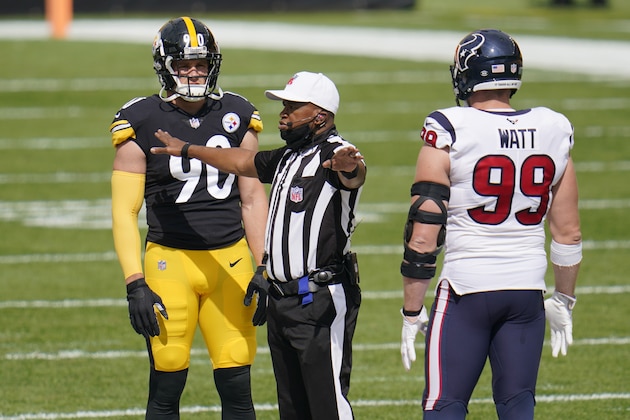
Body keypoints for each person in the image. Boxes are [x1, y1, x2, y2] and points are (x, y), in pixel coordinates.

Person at [151, 71, 366, 420]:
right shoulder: (289, 157)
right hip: (283, 301)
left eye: (293, 107)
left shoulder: (334, 153)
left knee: (328, 406)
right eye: (284, 106)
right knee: (293, 409)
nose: (284, 114)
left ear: (320, 116)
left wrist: (350, 167)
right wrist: (187, 149)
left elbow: (354, 172)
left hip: (319, 299)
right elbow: (241, 162)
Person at [399, 29, 582, 419]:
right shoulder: (552, 128)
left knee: (445, 405)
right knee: (517, 405)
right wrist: (563, 300)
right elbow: (568, 232)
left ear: (466, 73)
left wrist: (412, 310)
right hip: (526, 290)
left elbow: (424, 229)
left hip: (467, 289)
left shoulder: (450, 127)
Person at [109, 17, 268, 419]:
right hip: (169, 261)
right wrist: (134, 284)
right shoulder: (141, 120)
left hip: (229, 260)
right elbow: (125, 211)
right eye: (183, 64)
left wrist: (265, 265)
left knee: (236, 378)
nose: (193, 72)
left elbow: (252, 198)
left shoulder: (237, 115)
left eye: (200, 63)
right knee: (168, 375)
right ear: (165, 66)